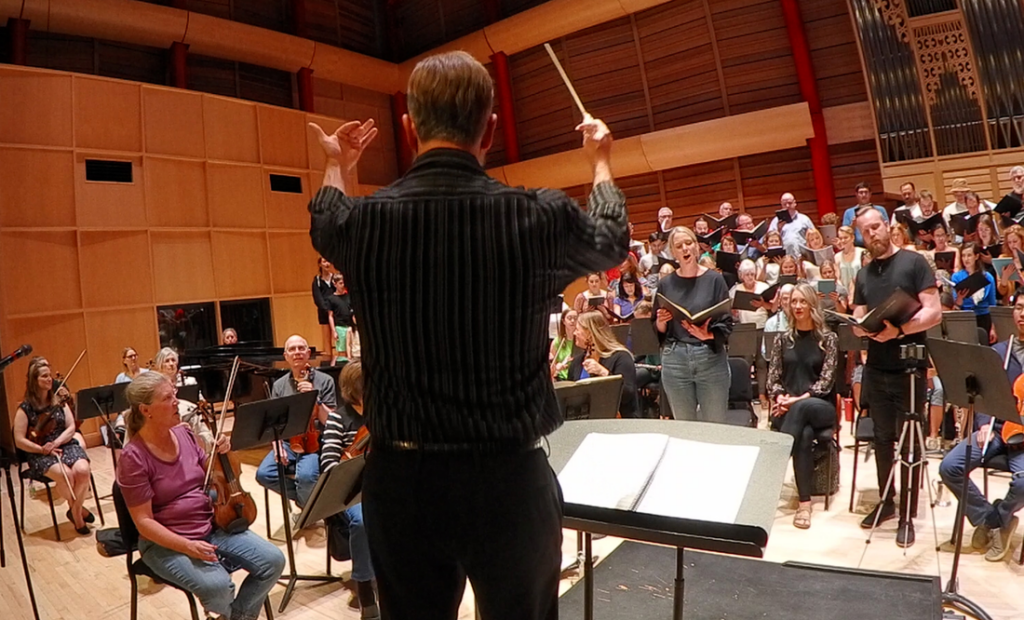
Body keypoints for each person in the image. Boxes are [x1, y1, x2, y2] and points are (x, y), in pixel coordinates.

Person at [308, 50, 628, 620]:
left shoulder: (366, 223)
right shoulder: (535, 216)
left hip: (403, 484)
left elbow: (326, 217)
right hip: (508, 482)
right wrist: (600, 158)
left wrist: (339, 161)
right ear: (491, 128)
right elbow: (610, 239)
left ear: (408, 130)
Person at [116, 372, 285, 620]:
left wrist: (223, 452)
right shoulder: (134, 458)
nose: (177, 401)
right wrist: (188, 546)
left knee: (273, 560)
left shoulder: (184, 434)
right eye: (167, 397)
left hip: (211, 525)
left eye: (175, 393)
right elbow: (144, 522)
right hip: (166, 543)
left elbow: (208, 473)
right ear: (146, 410)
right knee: (218, 587)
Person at [852, 206, 942, 548]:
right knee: (882, 438)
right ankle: (887, 502)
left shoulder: (914, 262)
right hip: (877, 364)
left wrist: (900, 330)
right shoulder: (862, 274)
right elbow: (860, 313)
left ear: (888, 227)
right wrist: (859, 325)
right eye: (866, 231)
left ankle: (908, 512)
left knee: (908, 439)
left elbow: (933, 312)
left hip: (909, 364)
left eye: (876, 227)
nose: (872, 234)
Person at [938, 295, 1024, 562]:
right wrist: (984, 424)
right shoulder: (999, 352)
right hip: (998, 429)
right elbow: (984, 394)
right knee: (949, 466)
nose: (1023, 314)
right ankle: (990, 520)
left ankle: (1000, 516)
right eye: (1020, 308)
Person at [766, 283, 838, 529]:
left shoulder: (828, 339)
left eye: (802, 302)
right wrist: (778, 398)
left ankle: (770, 473)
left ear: (811, 305)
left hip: (819, 407)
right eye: (794, 301)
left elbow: (825, 384)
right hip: (786, 409)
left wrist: (793, 401)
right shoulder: (781, 340)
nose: (797, 306)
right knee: (804, 434)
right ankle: (804, 505)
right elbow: (772, 379)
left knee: (802, 409)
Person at [655, 226, 733, 423]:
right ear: (673, 253)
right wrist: (660, 321)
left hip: (709, 357)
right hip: (675, 358)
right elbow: (659, 331)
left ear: (697, 246)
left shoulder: (715, 279)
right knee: (685, 428)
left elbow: (727, 322)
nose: (685, 249)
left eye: (688, 243)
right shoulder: (666, 284)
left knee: (715, 426)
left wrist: (707, 335)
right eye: (679, 246)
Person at [254, 335, 336, 520]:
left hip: (314, 443)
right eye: (292, 349)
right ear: (286, 356)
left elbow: (330, 421)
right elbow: (273, 422)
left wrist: (315, 398)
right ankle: (308, 504)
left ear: (308, 353)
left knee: (306, 477)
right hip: (289, 442)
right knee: (264, 474)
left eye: (301, 348)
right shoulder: (280, 385)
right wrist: (277, 447)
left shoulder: (325, 381)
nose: (297, 352)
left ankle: (308, 513)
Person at [319, 361, 378, 619]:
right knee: (363, 522)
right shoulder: (338, 418)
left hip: (383, 487)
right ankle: (365, 589)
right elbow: (329, 463)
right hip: (352, 494)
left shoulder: (383, 416)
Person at [13, 357, 94, 535]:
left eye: (50, 375)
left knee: (82, 470)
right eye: (44, 376)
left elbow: (71, 427)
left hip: (64, 443)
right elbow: (19, 440)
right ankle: (79, 515)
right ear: (35, 380)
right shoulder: (25, 408)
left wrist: (57, 442)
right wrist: (42, 449)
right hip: (40, 452)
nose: (50, 379)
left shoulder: (58, 401)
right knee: (66, 476)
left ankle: (74, 510)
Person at [568, 312, 639, 418]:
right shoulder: (577, 362)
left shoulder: (621, 357)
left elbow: (628, 394)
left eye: (578, 330)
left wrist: (604, 373)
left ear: (590, 333)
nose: (574, 333)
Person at [153, 347, 213, 455]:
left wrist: (202, 402)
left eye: (173, 360)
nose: (171, 364)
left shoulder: (190, 381)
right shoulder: (156, 387)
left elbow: (201, 399)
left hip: (190, 418)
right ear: (160, 365)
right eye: (167, 361)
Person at [730, 259, 769, 406]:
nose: (750, 277)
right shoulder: (736, 290)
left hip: (761, 328)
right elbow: (731, 311)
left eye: (752, 274)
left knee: (761, 362)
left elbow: (772, 306)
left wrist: (763, 304)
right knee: (745, 364)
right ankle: (745, 395)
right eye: (747, 274)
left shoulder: (763, 287)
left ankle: (762, 394)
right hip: (744, 330)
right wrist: (733, 311)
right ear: (741, 275)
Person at [952, 243, 997, 343]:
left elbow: (992, 304)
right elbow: (957, 306)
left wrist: (993, 328)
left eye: (969, 255)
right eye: (963, 256)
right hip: (966, 318)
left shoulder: (988, 277)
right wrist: (960, 298)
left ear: (976, 256)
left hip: (984, 318)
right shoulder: (957, 277)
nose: (966, 259)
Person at [768, 192, 815, 257]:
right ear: (781, 205)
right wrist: (779, 229)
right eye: (784, 204)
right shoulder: (775, 221)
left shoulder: (804, 219)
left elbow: (814, 237)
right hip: (784, 259)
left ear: (795, 203)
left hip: (803, 256)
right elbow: (769, 241)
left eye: (789, 203)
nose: (787, 206)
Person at [842, 182, 888, 246]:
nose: (864, 195)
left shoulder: (880, 210)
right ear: (856, 194)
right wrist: (852, 226)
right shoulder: (848, 212)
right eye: (861, 193)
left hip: (879, 244)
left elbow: (887, 228)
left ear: (870, 194)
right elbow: (844, 234)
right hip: (858, 247)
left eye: (866, 192)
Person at [326, 272, 354, 363]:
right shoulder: (331, 299)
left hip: (351, 327)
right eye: (340, 283)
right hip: (340, 327)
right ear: (335, 283)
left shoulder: (349, 296)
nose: (343, 285)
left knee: (353, 350)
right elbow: (330, 316)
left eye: (344, 283)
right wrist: (334, 331)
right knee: (342, 352)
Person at [313, 256, 336, 354]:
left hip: (336, 310)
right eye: (324, 261)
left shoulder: (335, 278)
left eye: (328, 261)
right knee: (327, 337)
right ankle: (328, 357)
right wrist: (326, 309)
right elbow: (317, 297)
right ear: (320, 264)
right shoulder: (317, 280)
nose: (327, 264)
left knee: (339, 335)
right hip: (324, 311)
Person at [835, 226, 864, 302]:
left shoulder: (862, 253)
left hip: (860, 295)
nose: (843, 240)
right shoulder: (837, 257)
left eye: (845, 237)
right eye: (841, 238)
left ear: (852, 238)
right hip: (845, 297)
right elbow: (837, 278)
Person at [549, 309, 578, 381]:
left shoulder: (582, 340)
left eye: (575, 318)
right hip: (561, 378)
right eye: (569, 318)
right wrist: (558, 367)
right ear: (563, 321)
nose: (572, 321)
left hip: (578, 378)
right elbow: (552, 367)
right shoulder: (557, 342)